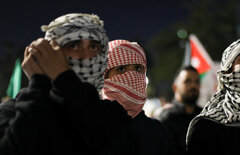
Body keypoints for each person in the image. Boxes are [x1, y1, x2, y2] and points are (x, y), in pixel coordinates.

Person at [0, 13, 138, 154]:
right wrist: (38, 84)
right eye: (73, 45)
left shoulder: (112, 114)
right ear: (50, 53)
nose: (86, 56)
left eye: (93, 47)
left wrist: (66, 80)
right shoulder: (14, 110)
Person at [101, 39, 168, 155]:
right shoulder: (91, 129)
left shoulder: (157, 131)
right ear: (104, 76)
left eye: (138, 68)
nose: (132, 76)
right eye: (121, 69)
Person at [158, 65, 202, 155]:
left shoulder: (204, 117)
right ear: (175, 87)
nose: (193, 85)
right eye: (187, 81)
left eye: (197, 82)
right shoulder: (167, 118)